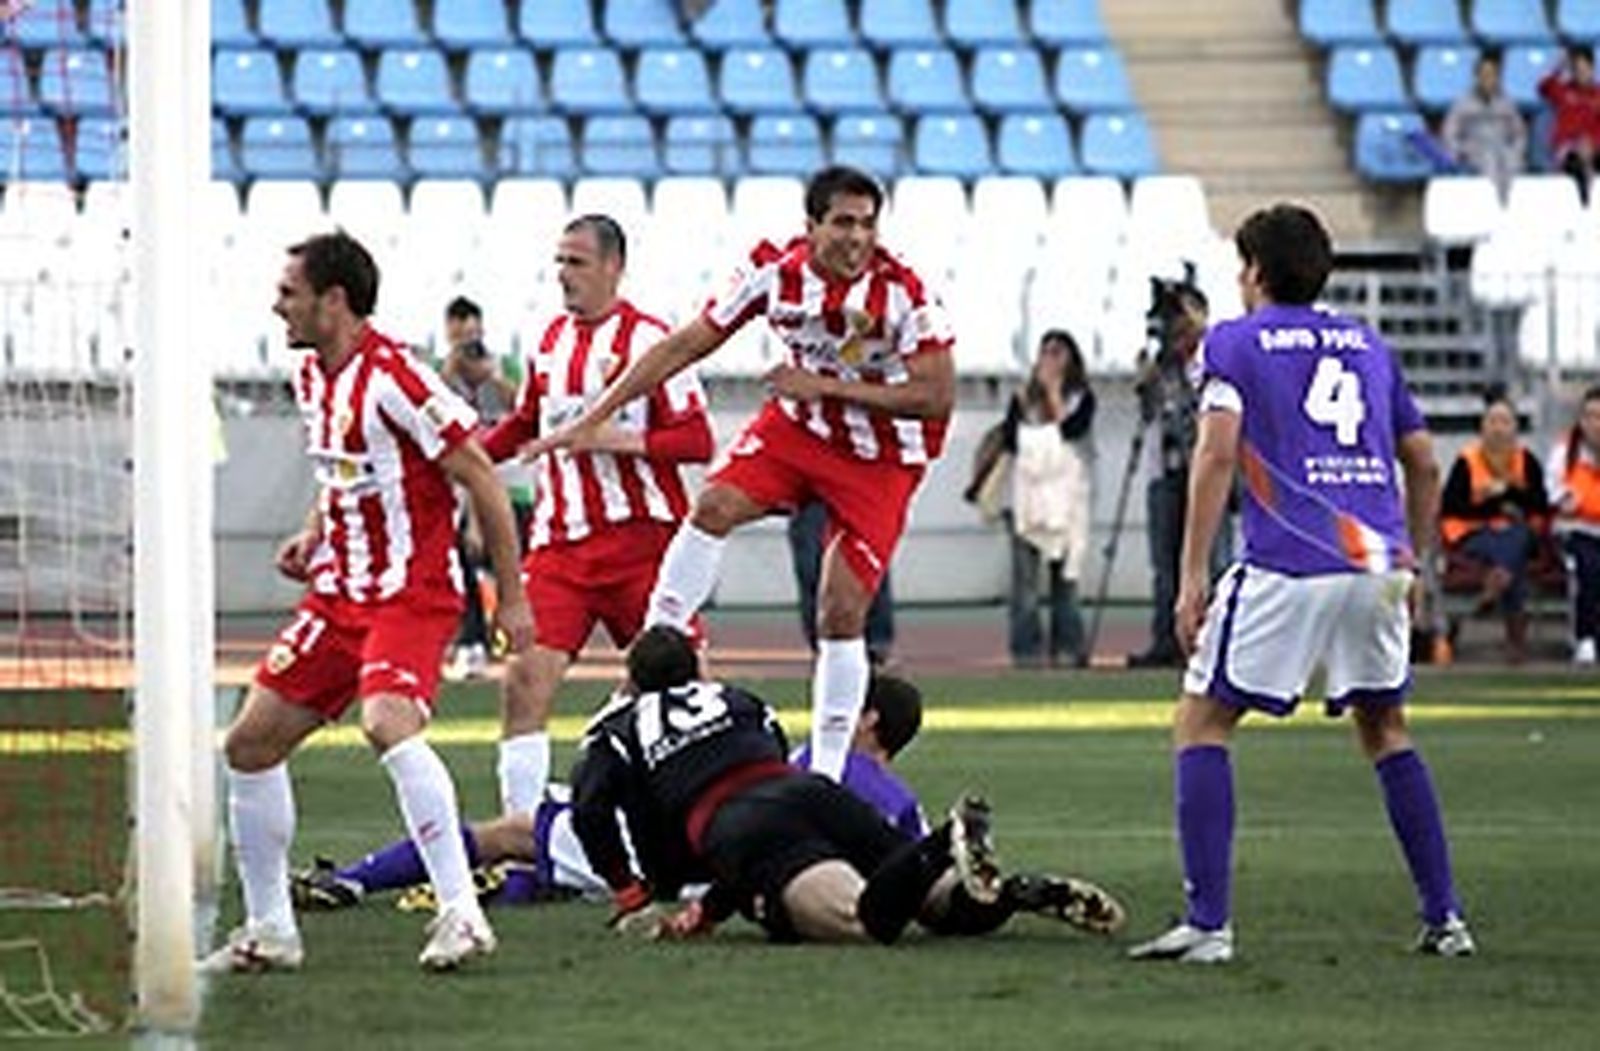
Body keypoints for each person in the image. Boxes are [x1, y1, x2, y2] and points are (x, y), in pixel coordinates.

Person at [527, 166, 955, 783]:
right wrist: (593, 418)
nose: (858, 238)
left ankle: (828, 775)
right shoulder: (772, 271)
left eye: (867, 224)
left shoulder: (904, 292)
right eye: (843, 223)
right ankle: (650, 666)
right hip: (801, 428)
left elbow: (938, 396)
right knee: (715, 506)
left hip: (882, 457)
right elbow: (684, 345)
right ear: (810, 227)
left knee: (839, 608)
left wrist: (825, 384)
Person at [1129, 203, 1474, 965]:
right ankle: (1445, 916)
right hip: (1378, 565)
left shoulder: (1234, 342)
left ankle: (1209, 924)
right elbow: (1422, 460)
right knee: (1386, 730)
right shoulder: (1368, 343)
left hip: (1291, 560)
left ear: (1253, 270)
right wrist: (1414, 560)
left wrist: (1191, 578)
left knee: (1201, 723)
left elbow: (1217, 456)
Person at [202, 232, 535, 975]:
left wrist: (512, 601)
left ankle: (462, 910)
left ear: (334, 301)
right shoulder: (312, 374)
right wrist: (314, 530)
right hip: (337, 594)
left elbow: (481, 476)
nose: (276, 303)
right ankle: (269, 929)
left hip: (408, 595)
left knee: (387, 722)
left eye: (289, 291)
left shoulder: (397, 379)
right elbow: (344, 473)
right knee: (250, 745)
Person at [570, 626, 1124, 945]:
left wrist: (631, 894)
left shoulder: (616, 731)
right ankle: (1013, 891)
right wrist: (712, 909)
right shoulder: (739, 700)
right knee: (942, 908)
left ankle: (943, 839)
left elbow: (590, 809)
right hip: (806, 791)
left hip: (740, 823)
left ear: (632, 680)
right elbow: (771, 750)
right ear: (695, 670)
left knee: (861, 920)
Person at [292, 675, 940, 910]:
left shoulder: (817, 767)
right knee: (544, 856)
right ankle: (521, 883)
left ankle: (352, 878)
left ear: (870, 721)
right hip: (739, 877)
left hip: (685, 849)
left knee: (514, 829)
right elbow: (907, 863)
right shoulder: (902, 802)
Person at [478, 214, 713, 820]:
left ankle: (690, 829)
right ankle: (524, 836)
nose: (563, 274)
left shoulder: (652, 341)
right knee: (523, 679)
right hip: (560, 548)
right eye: (559, 261)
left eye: (576, 262)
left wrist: (611, 439)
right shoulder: (549, 339)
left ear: (614, 266)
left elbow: (696, 440)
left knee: (684, 696)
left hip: (645, 544)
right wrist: (468, 457)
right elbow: (528, 422)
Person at [1128, 286, 1231, 667]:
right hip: (1166, 469)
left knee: (1214, 558)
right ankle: (1166, 640)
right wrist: (1148, 374)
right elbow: (1148, 410)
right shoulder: (1163, 365)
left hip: (1205, 469)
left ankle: (1216, 638)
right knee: (1164, 561)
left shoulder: (1213, 358)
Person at [1002, 329, 1095, 668]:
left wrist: (1054, 393)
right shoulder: (1021, 398)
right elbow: (1011, 439)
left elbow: (1071, 431)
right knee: (1024, 582)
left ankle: (1069, 647)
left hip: (1067, 497)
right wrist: (1035, 398)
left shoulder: (1081, 397)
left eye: (1058, 353)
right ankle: (1026, 651)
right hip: (1027, 496)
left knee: (1065, 578)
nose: (1051, 360)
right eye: (1046, 352)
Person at [437, 295, 517, 681]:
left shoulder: (503, 365)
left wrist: (491, 376)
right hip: (459, 490)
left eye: (472, 334)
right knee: (463, 567)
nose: (467, 345)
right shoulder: (440, 376)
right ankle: (472, 644)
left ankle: (518, 643)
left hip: (513, 485)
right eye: (459, 335)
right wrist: (450, 373)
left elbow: (525, 405)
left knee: (514, 569)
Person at [1440, 393, 1550, 662]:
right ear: (1482, 426)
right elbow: (1451, 506)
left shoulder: (1528, 461)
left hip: (1519, 533)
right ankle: (1515, 641)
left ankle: (1497, 581)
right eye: (1492, 421)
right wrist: (1493, 503)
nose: (1499, 428)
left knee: (1515, 539)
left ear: (1515, 428)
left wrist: (1509, 491)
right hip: (1475, 533)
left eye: (1505, 422)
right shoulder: (1466, 461)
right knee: (1512, 560)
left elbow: (1540, 505)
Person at [788, 500, 896, 668]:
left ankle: (875, 644)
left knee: (866, 561)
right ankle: (825, 645)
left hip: (859, 490)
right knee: (813, 565)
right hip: (813, 491)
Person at [1547, 386, 1600, 665]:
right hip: (1576, 529)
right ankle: (1585, 638)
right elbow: (1556, 493)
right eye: (1590, 416)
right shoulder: (1565, 452)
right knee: (1588, 567)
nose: (1596, 424)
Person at [1442, 51, 1527, 199]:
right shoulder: (1463, 104)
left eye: (1492, 75)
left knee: (1512, 162)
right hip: (1475, 149)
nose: (1488, 79)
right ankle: (1494, 205)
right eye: (1484, 74)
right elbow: (1450, 131)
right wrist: (1458, 151)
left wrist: (1517, 150)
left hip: (1502, 148)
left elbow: (1519, 132)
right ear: (1477, 76)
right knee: (1490, 162)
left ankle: (1510, 208)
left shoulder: (1507, 103)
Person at [1539, 45, 1600, 204]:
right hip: (1567, 149)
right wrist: (1558, 67)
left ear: (1592, 68)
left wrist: (1592, 143)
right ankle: (1584, 205)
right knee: (1576, 161)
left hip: (1593, 148)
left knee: (1590, 156)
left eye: (1585, 68)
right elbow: (1543, 87)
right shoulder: (1563, 90)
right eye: (1577, 69)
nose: (1581, 73)